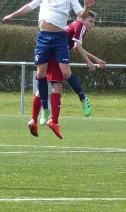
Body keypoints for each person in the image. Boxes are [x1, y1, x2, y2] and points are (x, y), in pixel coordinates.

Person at [3, 0, 95, 139]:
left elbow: (80, 14)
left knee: (66, 73)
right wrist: (12, 15)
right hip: (43, 37)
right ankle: (44, 112)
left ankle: (82, 100)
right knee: (41, 74)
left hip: (59, 38)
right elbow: (30, 6)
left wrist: (85, 6)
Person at [30, 10, 106, 138]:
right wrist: (89, 62)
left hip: (49, 51)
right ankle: (80, 99)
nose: (92, 24)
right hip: (56, 53)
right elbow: (77, 47)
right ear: (82, 19)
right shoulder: (80, 26)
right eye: (90, 21)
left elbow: (78, 47)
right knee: (59, 83)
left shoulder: (75, 25)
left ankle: (35, 119)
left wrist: (94, 59)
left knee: (43, 84)